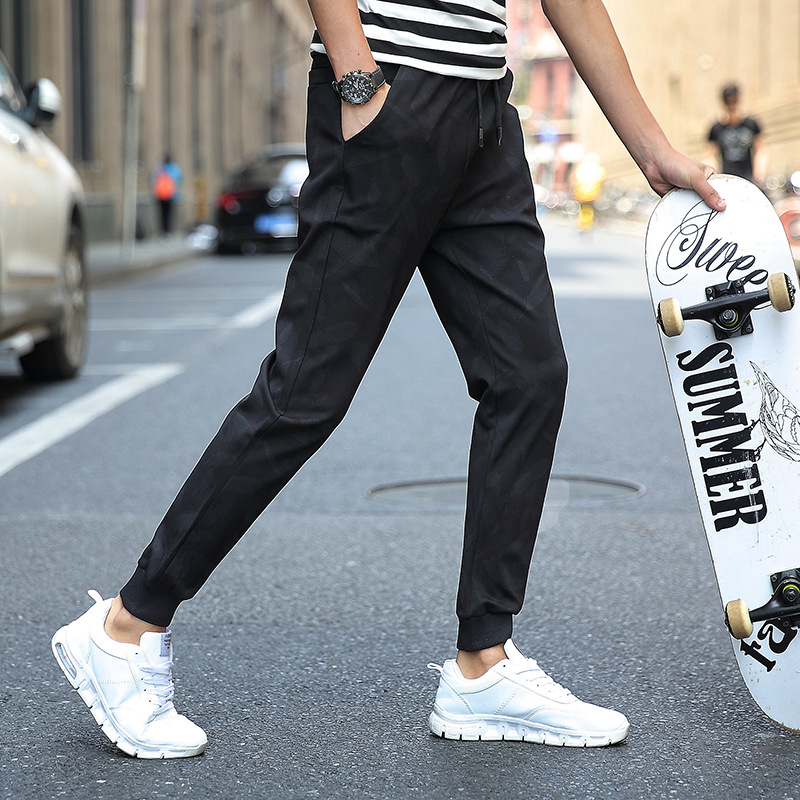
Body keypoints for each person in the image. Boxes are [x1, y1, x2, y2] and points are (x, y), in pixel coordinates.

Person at [51, 0, 725, 758]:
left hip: (484, 114)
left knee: (528, 376)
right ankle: (125, 627)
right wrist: (358, 78)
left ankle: (483, 664)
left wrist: (652, 150)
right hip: (388, 92)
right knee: (305, 392)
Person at [706, 83, 767, 187]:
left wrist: (759, 174)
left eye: (734, 101)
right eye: (728, 102)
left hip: (749, 179)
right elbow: (710, 154)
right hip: (727, 179)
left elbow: (761, 149)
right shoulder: (717, 128)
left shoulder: (750, 124)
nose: (731, 105)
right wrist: (712, 177)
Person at [151, 153, 183, 236]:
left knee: (161, 213)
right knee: (169, 214)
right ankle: (168, 230)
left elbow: (153, 178)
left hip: (160, 195)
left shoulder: (159, 167)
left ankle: (163, 230)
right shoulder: (175, 168)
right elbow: (180, 179)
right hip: (170, 195)